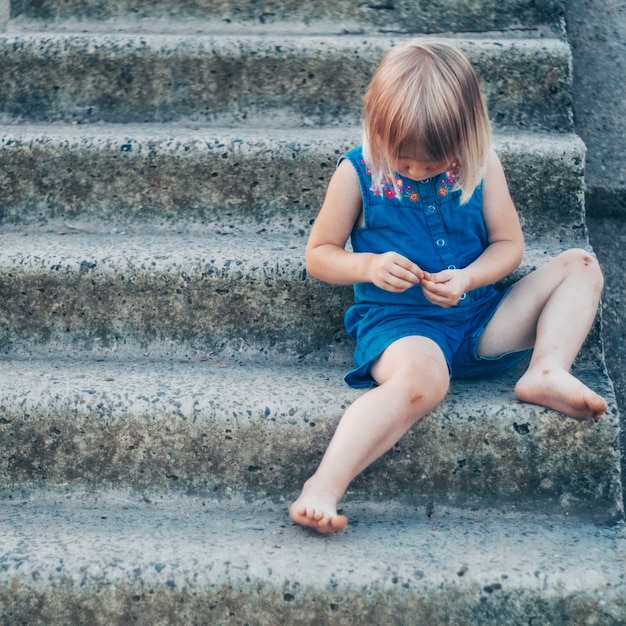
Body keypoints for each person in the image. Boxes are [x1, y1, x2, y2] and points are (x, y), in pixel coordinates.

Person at [289, 38, 608, 534]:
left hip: (479, 316)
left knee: (580, 265)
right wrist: (368, 266)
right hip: (403, 328)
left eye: (432, 164)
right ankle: (324, 485)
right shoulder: (357, 172)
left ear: (466, 135)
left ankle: (546, 370)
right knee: (425, 382)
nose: (416, 171)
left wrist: (469, 278)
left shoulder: (481, 166)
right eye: (404, 160)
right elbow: (319, 255)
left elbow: (508, 246)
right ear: (375, 126)